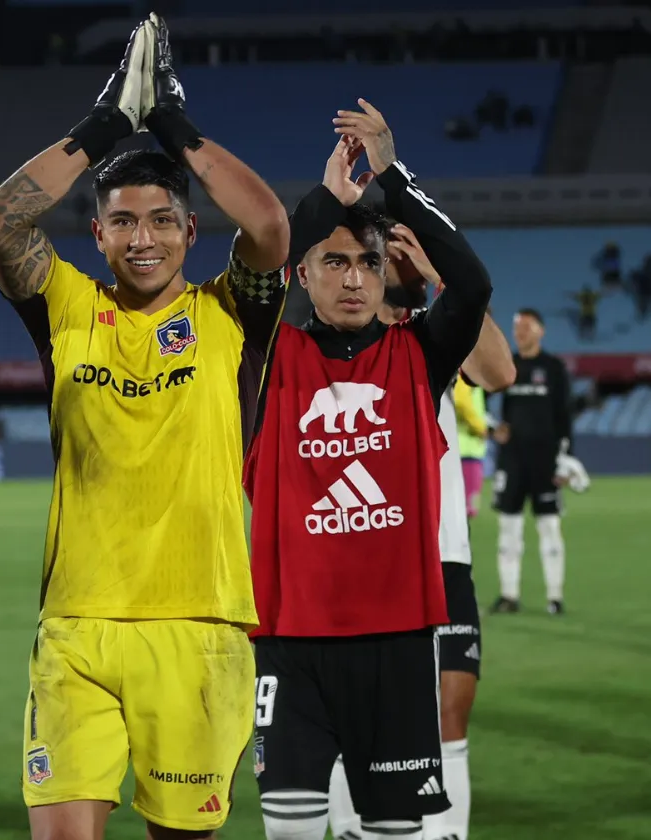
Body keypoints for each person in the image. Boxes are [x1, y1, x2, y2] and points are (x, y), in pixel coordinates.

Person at [0, 14, 289, 840]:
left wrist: (175, 125)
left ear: (190, 230)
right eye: (122, 220)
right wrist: (109, 121)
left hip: (199, 624)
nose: (142, 237)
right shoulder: (69, 308)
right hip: (76, 627)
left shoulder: (230, 314)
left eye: (160, 220)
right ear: (98, 233)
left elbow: (269, 230)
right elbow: (1, 223)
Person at [243, 101, 492, 840]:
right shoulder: (266, 363)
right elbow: (261, 251)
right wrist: (323, 203)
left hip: (399, 643)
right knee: (289, 832)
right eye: (335, 262)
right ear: (303, 275)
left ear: (387, 274)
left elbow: (472, 287)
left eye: (368, 263)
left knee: (393, 834)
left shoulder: (419, 358)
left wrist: (392, 180)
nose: (354, 280)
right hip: (289, 640)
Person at [325, 225, 514, 840]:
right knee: (351, 721)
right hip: (359, 562)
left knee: (450, 715)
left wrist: (441, 276)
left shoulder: (433, 336)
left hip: (443, 556)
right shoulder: (331, 343)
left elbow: (498, 373)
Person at [490, 309, 587, 616]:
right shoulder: (509, 364)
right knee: (508, 528)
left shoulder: (554, 368)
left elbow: (565, 417)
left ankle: (555, 598)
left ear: (541, 331)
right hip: (512, 460)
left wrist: (566, 459)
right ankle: (509, 595)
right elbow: (501, 409)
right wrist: (498, 429)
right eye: (517, 327)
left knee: (549, 526)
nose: (520, 332)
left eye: (526, 327)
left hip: (545, 461)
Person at [455, 374, 489, 520]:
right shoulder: (466, 371)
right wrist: (479, 427)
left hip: (463, 448)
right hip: (466, 448)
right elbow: (461, 401)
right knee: (465, 510)